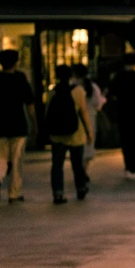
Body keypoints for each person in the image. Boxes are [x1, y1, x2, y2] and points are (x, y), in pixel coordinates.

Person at [0, 49, 37, 204]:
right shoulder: (20, 79)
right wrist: (35, 125)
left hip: (0, 125)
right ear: (16, 62)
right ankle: (14, 193)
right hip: (18, 125)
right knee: (17, 160)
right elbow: (30, 105)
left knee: (0, 157)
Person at [46, 65, 93, 204]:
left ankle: (58, 193)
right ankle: (81, 188)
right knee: (77, 164)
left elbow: (47, 113)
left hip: (57, 135)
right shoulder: (78, 91)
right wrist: (89, 131)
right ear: (71, 76)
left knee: (57, 164)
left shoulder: (52, 92)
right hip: (75, 134)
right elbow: (83, 112)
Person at [107, 53, 135, 180]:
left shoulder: (118, 78)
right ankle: (133, 166)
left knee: (125, 140)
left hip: (123, 111)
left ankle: (128, 166)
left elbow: (111, 93)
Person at [72, 64, 106, 182]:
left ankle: (79, 172)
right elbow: (98, 103)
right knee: (88, 146)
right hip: (90, 118)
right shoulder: (92, 87)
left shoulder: (73, 87)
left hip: (75, 118)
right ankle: (84, 171)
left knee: (77, 146)